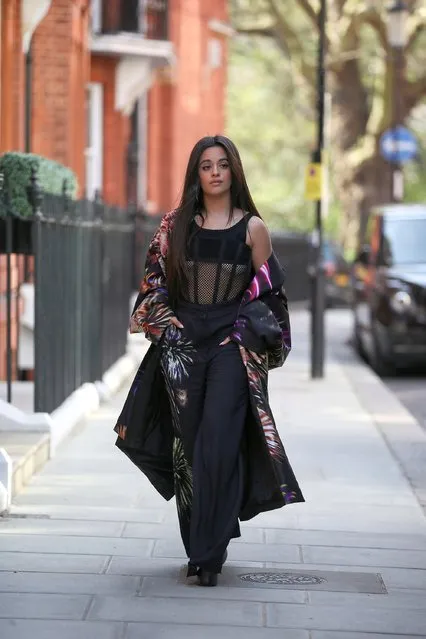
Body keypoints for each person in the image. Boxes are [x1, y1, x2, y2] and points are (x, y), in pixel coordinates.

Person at [114, 135, 304, 587]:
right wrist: (169, 327)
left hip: (229, 347)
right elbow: (154, 281)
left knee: (218, 442)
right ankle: (197, 545)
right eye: (206, 165)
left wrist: (249, 338)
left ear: (234, 170)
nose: (215, 172)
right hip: (183, 345)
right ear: (196, 173)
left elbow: (272, 299)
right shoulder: (174, 225)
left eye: (222, 164)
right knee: (189, 449)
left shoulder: (254, 229)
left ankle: (210, 552)